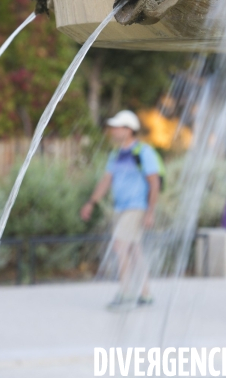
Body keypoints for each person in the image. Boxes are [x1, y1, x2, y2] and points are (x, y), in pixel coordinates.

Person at [80, 110, 161, 310]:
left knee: (120, 245)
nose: (113, 130)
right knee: (134, 250)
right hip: (120, 208)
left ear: (128, 130)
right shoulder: (115, 155)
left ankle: (125, 292)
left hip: (136, 207)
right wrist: (92, 202)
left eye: (118, 127)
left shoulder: (143, 152)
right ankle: (145, 293)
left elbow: (154, 182)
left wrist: (150, 212)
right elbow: (107, 180)